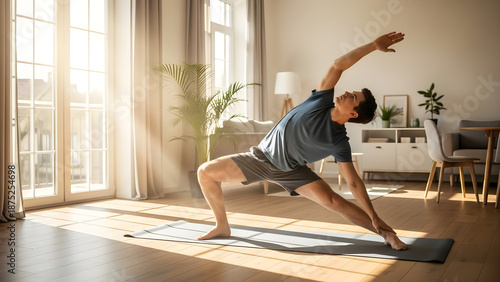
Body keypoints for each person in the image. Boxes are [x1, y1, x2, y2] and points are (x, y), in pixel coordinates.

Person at [196, 31, 408, 251]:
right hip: (259, 158)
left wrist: (373, 214)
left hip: (292, 171)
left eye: (352, 97)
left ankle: (387, 233)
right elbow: (338, 65)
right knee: (205, 172)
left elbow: (353, 182)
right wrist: (373, 46)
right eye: (351, 92)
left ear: (353, 114)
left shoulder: (339, 142)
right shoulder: (321, 99)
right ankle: (222, 226)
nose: (346, 93)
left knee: (334, 201)